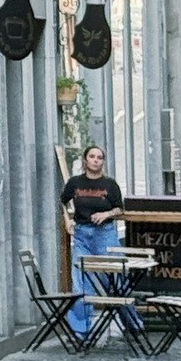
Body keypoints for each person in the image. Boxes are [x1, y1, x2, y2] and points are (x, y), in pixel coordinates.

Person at [61, 144, 130, 339]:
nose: (95, 160)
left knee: (118, 278)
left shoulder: (109, 184)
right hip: (82, 235)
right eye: (92, 156)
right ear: (85, 160)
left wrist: (106, 213)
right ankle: (81, 330)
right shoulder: (74, 183)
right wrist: (68, 220)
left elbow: (120, 208)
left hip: (105, 233)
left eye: (99, 157)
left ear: (103, 162)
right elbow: (63, 201)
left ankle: (132, 324)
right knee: (81, 283)